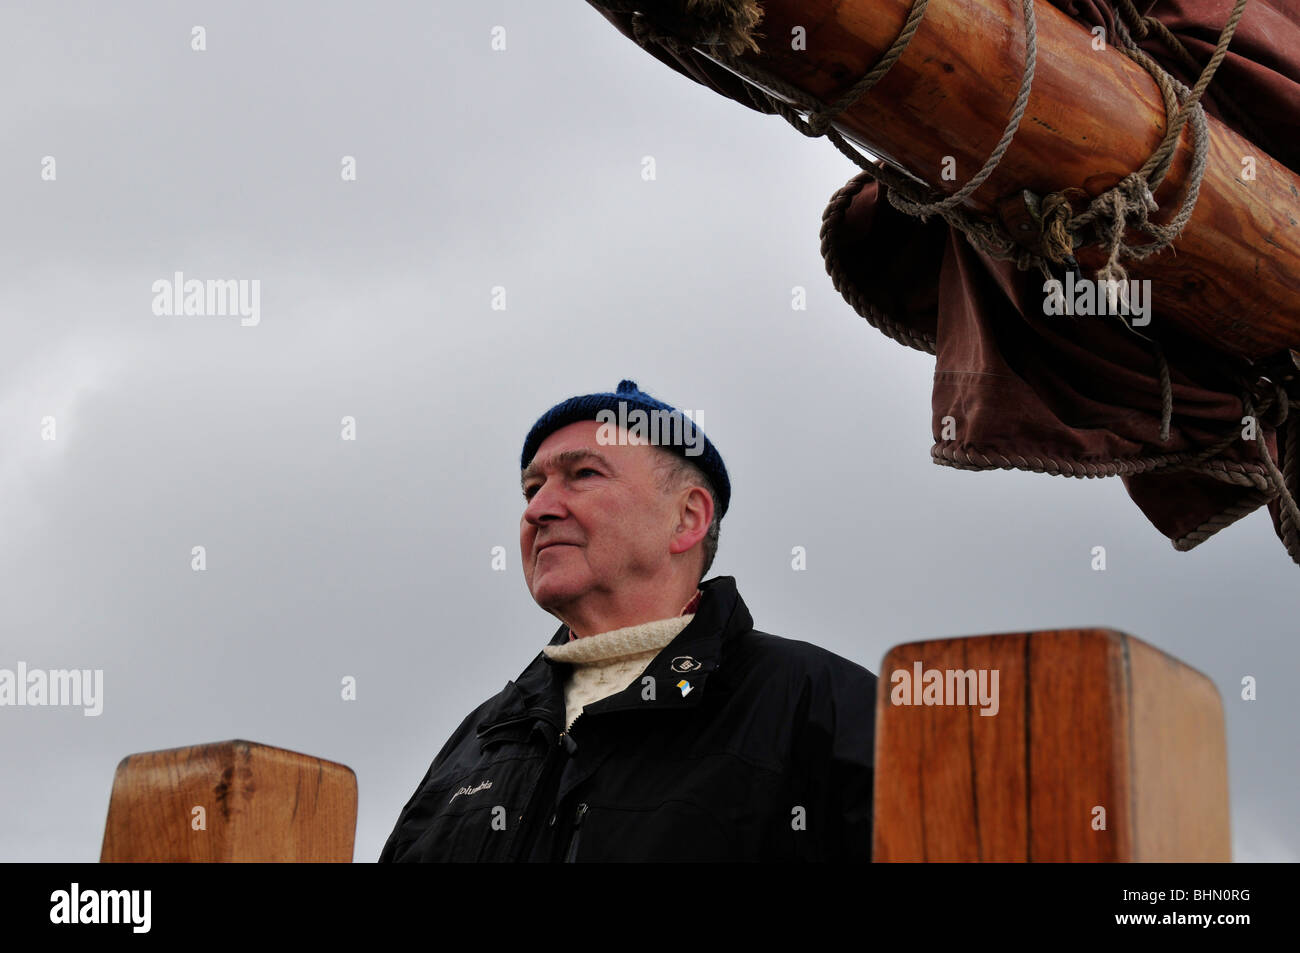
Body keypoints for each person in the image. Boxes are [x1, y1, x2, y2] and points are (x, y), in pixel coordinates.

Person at [379, 379, 878, 861]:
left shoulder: (827, 706)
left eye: (584, 475)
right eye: (532, 489)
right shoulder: (481, 739)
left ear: (686, 518)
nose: (538, 510)